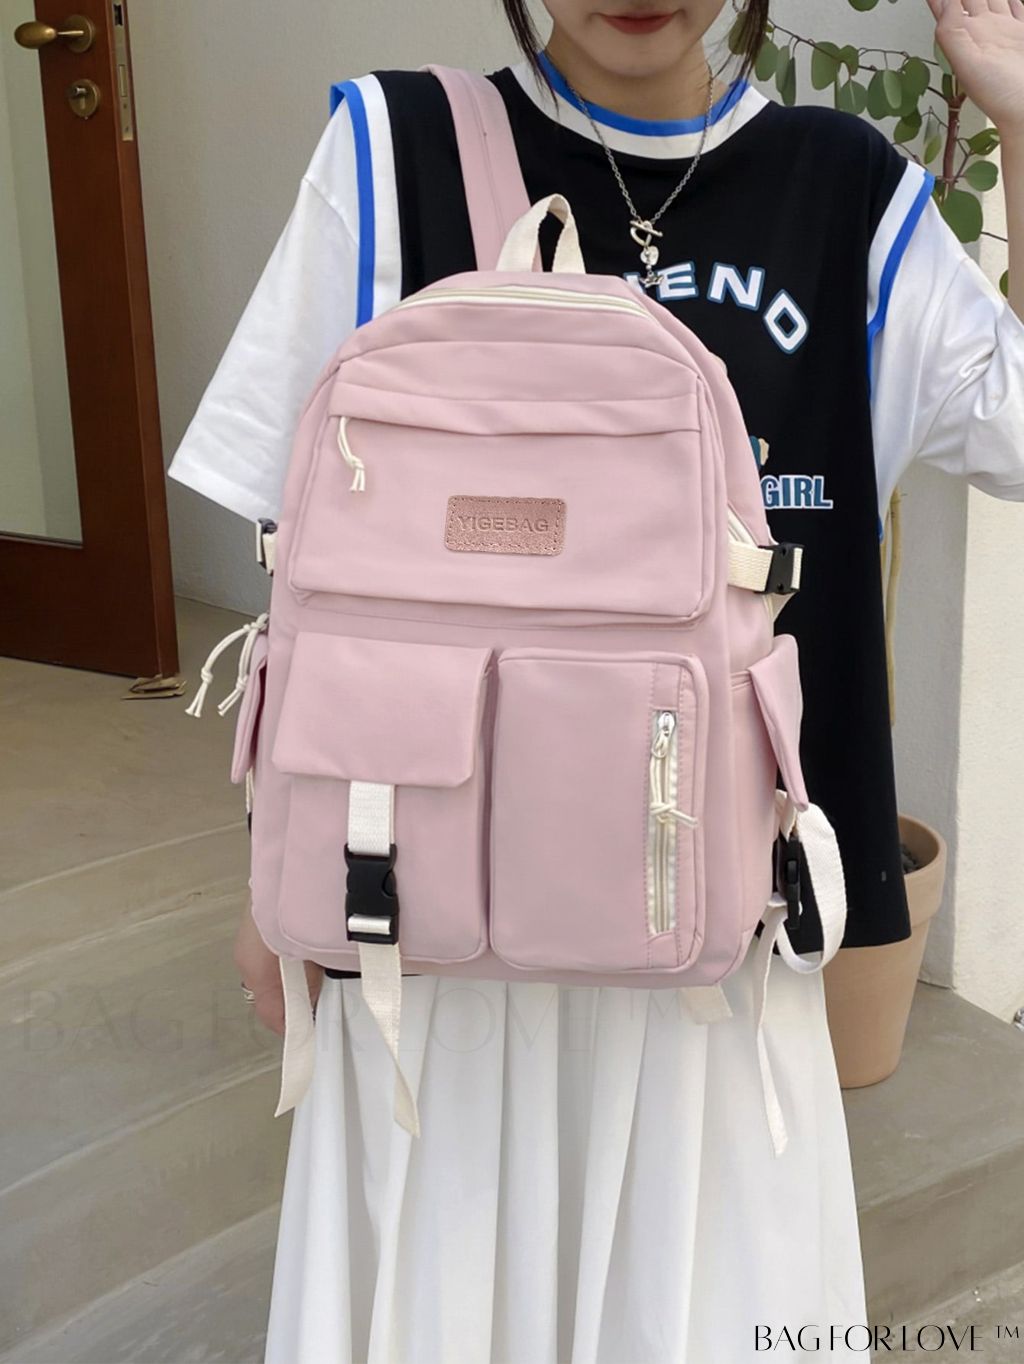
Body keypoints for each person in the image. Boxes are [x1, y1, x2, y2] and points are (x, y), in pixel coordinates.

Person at [168, 1, 1024, 1358]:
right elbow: (310, 565)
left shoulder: (846, 192)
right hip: (432, 933)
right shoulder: (396, 152)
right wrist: (270, 871)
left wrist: (1020, 117)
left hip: (715, 944)